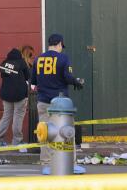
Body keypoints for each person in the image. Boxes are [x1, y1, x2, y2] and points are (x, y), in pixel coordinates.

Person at [31, 33, 85, 174]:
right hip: (61, 105)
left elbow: (33, 82)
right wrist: (76, 82)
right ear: (60, 44)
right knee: (66, 133)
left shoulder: (38, 59)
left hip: (43, 102)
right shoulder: (63, 58)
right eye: (62, 46)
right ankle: (70, 164)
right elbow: (67, 76)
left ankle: (47, 164)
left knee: (45, 133)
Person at [0, 48, 31, 149]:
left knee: (6, 116)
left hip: (6, 95)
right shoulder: (22, 63)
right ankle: (17, 141)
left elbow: (3, 75)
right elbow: (28, 76)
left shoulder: (5, 63)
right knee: (18, 117)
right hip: (20, 95)